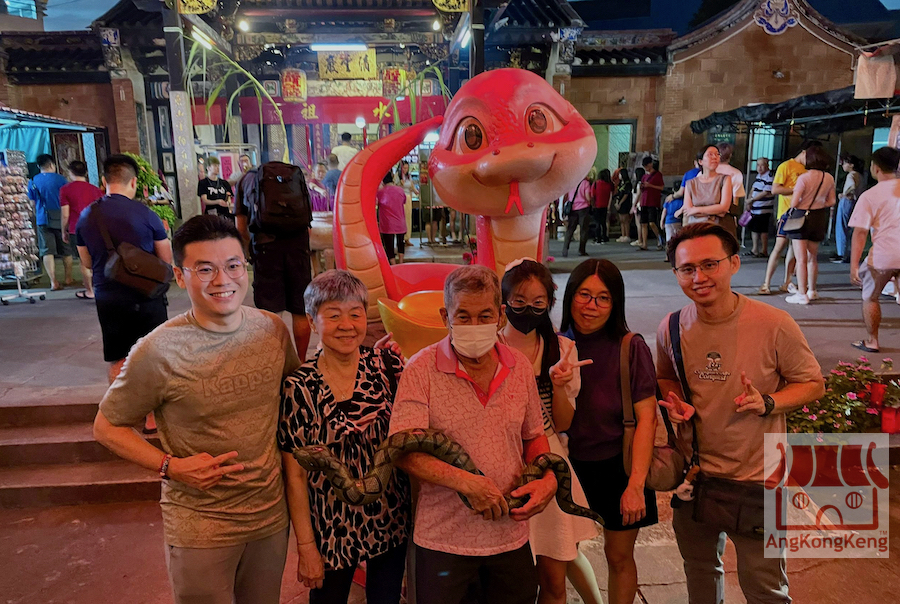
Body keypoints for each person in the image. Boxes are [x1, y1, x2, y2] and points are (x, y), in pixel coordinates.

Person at [93, 215, 300, 604]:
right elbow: (107, 427)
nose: (223, 280)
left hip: (270, 518)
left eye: (233, 265)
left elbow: (298, 396)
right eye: (205, 269)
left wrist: (366, 357)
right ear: (180, 275)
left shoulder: (272, 330)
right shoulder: (158, 351)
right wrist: (170, 466)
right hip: (201, 526)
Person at [657, 222, 824, 604]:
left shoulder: (774, 324)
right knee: (700, 573)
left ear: (733, 263)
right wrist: (676, 399)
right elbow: (665, 375)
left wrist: (768, 402)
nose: (699, 277)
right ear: (676, 273)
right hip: (695, 478)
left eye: (709, 264)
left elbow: (813, 383)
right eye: (687, 268)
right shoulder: (672, 326)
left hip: (759, 481)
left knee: (765, 589)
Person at [389, 264, 558, 604]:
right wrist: (467, 483)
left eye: (484, 316)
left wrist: (548, 480)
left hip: (510, 535)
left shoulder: (520, 367)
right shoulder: (420, 370)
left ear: (500, 316)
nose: (474, 325)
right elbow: (404, 450)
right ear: (445, 317)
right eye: (463, 316)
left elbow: (533, 437)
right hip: (443, 539)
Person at [280, 270, 409, 604]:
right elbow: (295, 475)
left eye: (355, 314)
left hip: (390, 516)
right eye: (334, 315)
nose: (347, 325)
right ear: (312, 320)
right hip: (331, 527)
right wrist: (306, 546)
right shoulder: (299, 387)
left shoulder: (384, 366)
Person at [498, 259, 602, 604]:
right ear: (504, 302)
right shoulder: (488, 347)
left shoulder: (563, 350)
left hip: (549, 462)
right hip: (499, 460)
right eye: (519, 301)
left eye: (538, 303)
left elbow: (563, 424)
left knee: (555, 579)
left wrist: (558, 385)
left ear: (549, 304)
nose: (528, 309)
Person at [560, 259, 659, 604]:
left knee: (618, 557)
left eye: (603, 298)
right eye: (584, 294)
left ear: (616, 303)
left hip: (618, 465)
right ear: (570, 296)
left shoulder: (630, 347)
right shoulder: (555, 344)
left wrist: (636, 484)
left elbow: (647, 419)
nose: (591, 305)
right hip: (568, 466)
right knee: (561, 552)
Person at [75, 154, 171, 386]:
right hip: (147, 295)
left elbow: (86, 262)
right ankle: (151, 408)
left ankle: (119, 407)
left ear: (104, 181)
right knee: (153, 356)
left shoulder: (86, 216)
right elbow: (165, 260)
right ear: (134, 181)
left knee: (118, 359)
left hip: (108, 297)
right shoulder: (147, 215)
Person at [235, 163, 314, 358]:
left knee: (271, 310)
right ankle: (301, 360)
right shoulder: (294, 179)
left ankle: (275, 361)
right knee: (300, 309)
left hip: (266, 249)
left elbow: (241, 227)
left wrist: (248, 251)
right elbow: (307, 223)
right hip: (298, 249)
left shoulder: (245, 180)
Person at [848, 146, 900, 353]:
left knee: (871, 297)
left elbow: (860, 233)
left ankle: (872, 341)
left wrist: (854, 265)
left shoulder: (870, 196)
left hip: (882, 257)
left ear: (876, 168)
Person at [759, 141, 821, 295]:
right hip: (786, 214)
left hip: (801, 214)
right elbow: (775, 189)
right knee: (779, 247)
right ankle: (766, 283)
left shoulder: (808, 169)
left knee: (794, 250)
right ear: (804, 152)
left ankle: (787, 282)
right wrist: (796, 190)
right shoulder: (786, 166)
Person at [784, 145, 836, 305]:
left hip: (801, 217)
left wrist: (803, 203)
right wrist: (818, 204)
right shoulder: (829, 178)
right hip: (819, 217)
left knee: (800, 259)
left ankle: (801, 294)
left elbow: (794, 203)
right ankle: (812, 291)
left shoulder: (804, 178)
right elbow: (832, 201)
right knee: (812, 257)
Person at [60, 160, 103, 299]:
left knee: (84, 261)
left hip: (76, 229)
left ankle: (90, 291)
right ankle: (100, 288)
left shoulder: (66, 189)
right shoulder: (96, 190)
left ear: (70, 172)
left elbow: (65, 214)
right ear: (86, 173)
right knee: (97, 259)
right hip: (95, 229)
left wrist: (64, 231)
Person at [28, 154, 70, 290]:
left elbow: (32, 204)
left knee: (47, 251)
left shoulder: (33, 181)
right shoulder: (61, 179)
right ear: (52, 164)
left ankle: (53, 282)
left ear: (38, 166)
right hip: (62, 218)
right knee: (66, 250)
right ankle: (68, 278)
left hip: (43, 219)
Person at [683, 146, 734, 238]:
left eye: (717, 154)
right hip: (695, 228)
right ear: (700, 161)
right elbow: (688, 210)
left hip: (717, 228)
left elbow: (724, 207)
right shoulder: (691, 183)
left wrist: (697, 209)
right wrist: (714, 210)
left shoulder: (725, 179)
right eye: (710, 155)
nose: (714, 157)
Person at [833, 154, 865, 264]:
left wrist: (844, 194)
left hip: (847, 202)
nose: (842, 165)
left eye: (844, 163)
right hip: (856, 202)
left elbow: (852, 186)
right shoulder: (860, 175)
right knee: (851, 229)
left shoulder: (851, 175)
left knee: (841, 227)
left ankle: (841, 253)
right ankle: (850, 253)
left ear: (851, 165)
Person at [746, 157, 775, 258]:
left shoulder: (769, 177)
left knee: (763, 230)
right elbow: (753, 189)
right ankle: (754, 249)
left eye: (762, 165)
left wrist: (752, 200)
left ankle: (764, 250)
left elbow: (765, 192)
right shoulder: (759, 176)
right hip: (755, 208)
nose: (759, 167)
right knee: (754, 229)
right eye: (758, 165)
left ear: (767, 166)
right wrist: (749, 200)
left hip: (764, 208)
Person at [377, 171, 407, 264]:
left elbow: (375, 203)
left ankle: (393, 265)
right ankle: (401, 262)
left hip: (387, 223)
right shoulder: (400, 190)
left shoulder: (380, 192)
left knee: (389, 245)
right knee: (400, 242)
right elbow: (404, 201)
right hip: (400, 222)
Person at [562, 169, 593, 257]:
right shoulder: (585, 183)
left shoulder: (571, 183)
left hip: (572, 208)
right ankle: (581, 250)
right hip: (583, 209)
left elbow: (566, 196)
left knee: (570, 229)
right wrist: (590, 203)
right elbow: (588, 197)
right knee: (583, 230)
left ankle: (565, 249)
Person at [636, 157, 664, 251]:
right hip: (644, 201)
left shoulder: (657, 175)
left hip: (653, 201)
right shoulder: (644, 176)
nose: (646, 168)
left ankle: (659, 238)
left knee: (652, 222)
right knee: (643, 223)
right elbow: (640, 191)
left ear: (651, 164)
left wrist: (650, 185)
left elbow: (661, 187)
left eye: (647, 166)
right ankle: (644, 244)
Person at [715, 142, 746, 221]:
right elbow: (735, 197)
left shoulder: (707, 171)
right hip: (727, 212)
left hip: (706, 211)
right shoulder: (736, 173)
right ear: (730, 155)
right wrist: (734, 216)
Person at [396, 160, 418, 244]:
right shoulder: (397, 176)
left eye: (407, 168)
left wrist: (416, 191)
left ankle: (407, 237)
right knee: (401, 218)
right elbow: (394, 187)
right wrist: (400, 184)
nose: (405, 170)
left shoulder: (408, 176)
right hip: (400, 199)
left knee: (408, 218)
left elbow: (412, 186)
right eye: (404, 168)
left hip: (408, 198)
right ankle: (401, 237)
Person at [592, 169, 613, 244]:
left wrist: (593, 205)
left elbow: (592, 195)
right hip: (605, 205)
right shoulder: (609, 185)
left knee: (597, 222)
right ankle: (604, 236)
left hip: (597, 205)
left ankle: (598, 238)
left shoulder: (596, 184)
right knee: (603, 222)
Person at [614, 169, 634, 243]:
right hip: (619, 203)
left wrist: (620, 203)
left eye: (620, 174)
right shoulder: (620, 184)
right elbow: (618, 193)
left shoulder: (627, 184)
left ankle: (627, 235)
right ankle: (623, 235)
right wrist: (617, 202)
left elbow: (626, 194)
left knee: (626, 220)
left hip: (625, 203)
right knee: (621, 220)